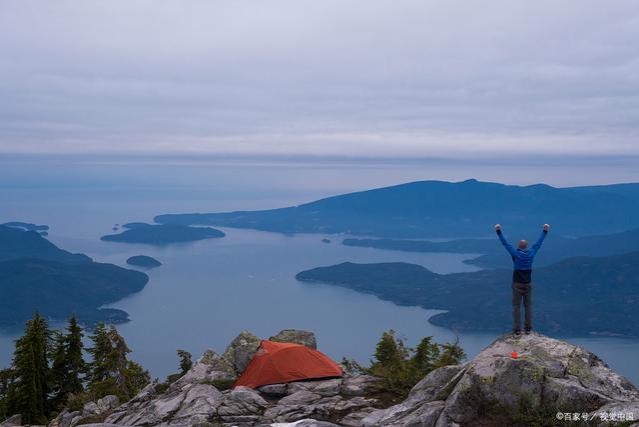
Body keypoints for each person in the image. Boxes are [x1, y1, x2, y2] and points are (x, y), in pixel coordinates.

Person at [494, 223, 550, 335]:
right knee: (528, 306)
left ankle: (517, 330)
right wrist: (545, 231)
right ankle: (528, 329)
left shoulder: (515, 253)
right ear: (526, 247)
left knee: (516, 306)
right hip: (528, 284)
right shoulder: (531, 253)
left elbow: (505, 243)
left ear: (519, 246)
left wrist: (498, 231)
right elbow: (538, 243)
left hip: (517, 284)